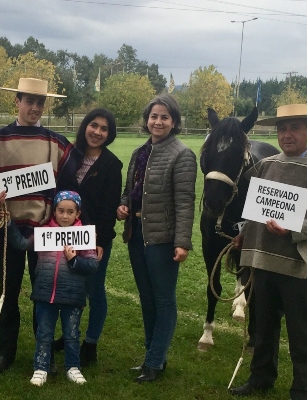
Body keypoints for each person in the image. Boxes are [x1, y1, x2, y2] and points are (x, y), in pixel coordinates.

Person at [229, 104, 307, 400]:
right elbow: (258, 209)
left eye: (295, 128)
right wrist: (245, 233)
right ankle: (261, 377)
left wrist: (295, 230)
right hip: (263, 260)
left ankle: (302, 390)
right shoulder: (266, 165)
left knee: (301, 332)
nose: (287, 135)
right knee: (264, 327)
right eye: (282, 129)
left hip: (299, 266)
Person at [0, 77, 78, 373]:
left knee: (44, 295)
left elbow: (69, 186)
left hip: (45, 233)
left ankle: (43, 354)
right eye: (29, 101)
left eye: (40, 102)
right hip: (7, 232)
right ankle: (6, 352)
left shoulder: (56, 142)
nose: (34, 107)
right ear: (16, 102)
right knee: (8, 293)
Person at [117, 94, 196, 382]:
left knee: (163, 301)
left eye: (164, 117)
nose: (158, 121)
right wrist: (123, 204)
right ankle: (153, 357)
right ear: (147, 120)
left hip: (163, 240)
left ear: (173, 121)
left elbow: (185, 202)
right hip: (137, 236)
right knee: (147, 299)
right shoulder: (139, 152)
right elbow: (130, 190)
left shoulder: (182, 154)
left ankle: (155, 361)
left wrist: (182, 242)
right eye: (154, 116)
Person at [5, 191, 98, 386]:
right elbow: (21, 244)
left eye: (70, 212)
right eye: (61, 211)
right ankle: (41, 367)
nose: (65, 216)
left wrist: (74, 260)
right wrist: (9, 223)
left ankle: (73, 367)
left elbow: (92, 265)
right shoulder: (44, 232)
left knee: (72, 335)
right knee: (44, 334)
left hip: (72, 296)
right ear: (54, 211)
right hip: (45, 293)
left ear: (78, 214)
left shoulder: (84, 235)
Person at [54, 108, 123, 366]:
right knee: (69, 289)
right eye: (94, 125)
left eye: (104, 129)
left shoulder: (112, 164)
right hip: (66, 235)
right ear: (85, 126)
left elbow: (109, 207)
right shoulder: (70, 156)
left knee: (95, 292)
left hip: (94, 239)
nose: (97, 132)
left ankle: (90, 343)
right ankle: (67, 336)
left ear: (109, 134)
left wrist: (101, 242)